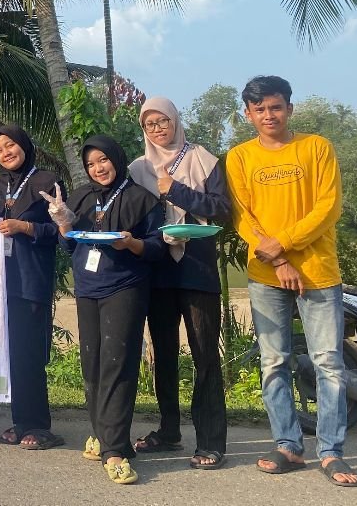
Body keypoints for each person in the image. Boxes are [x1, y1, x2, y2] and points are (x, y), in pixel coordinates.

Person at [225, 75, 357, 487]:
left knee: (328, 363)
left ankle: (331, 452)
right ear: (248, 114)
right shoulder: (240, 157)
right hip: (266, 274)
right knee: (274, 362)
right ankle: (288, 444)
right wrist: (278, 257)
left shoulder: (316, 148)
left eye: (276, 106)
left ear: (289, 109)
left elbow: (328, 207)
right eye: (259, 109)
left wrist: (283, 242)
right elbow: (242, 216)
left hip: (318, 272)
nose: (269, 114)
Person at [47, 134, 166, 485]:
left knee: (117, 363)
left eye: (103, 160)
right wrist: (64, 223)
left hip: (125, 287)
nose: (98, 168)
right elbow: (68, 247)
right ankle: (103, 434)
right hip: (87, 288)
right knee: (93, 362)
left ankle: (114, 450)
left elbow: (157, 248)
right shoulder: (82, 197)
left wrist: (130, 242)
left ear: (116, 158)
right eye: (90, 164)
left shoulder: (142, 199)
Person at [128, 98, 230, 469]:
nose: (157, 128)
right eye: (150, 123)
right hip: (158, 271)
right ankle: (169, 431)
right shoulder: (137, 168)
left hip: (197, 269)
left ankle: (211, 441)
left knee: (205, 356)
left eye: (163, 121)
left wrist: (175, 190)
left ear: (176, 120)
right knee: (164, 356)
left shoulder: (204, 159)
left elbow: (222, 209)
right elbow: (131, 215)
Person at [0, 125, 64, 451]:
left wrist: (25, 227)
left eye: (11, 145)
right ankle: (21, 421)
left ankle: (40, 425)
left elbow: (60, 229)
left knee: (32, 354)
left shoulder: (46, 181)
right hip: (2, 280)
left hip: (32, 278)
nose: (6, 152)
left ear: (24, 145)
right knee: (15, 354)